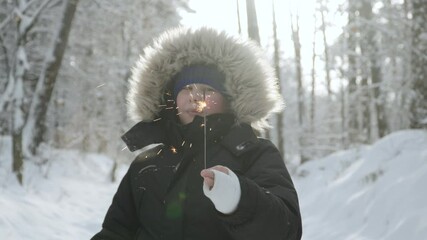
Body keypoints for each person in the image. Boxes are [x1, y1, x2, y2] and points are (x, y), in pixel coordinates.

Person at [92, 27, 302, 240]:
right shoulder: (146, 163)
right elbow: (115, 232)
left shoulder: (254, 154)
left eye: (209, 90)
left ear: (228, 100)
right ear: (171, 99)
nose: (196, 97)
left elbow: (286, 231)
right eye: (187, 88)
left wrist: (239, 198)